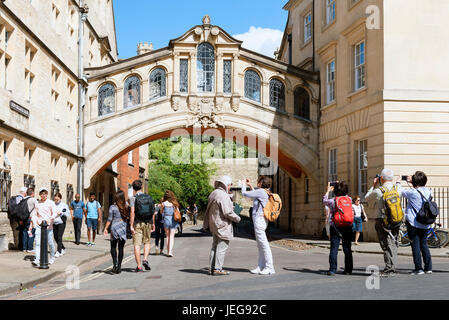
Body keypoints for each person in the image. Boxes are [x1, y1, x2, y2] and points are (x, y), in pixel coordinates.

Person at [365, 168, 403, 277]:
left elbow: (367, 198)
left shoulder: (379, 191)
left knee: (386, 244)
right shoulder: (397, 188)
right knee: (394, 242)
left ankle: (389, 268)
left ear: (381, 178)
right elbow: (400, 189)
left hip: (382, 220)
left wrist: (373, 185)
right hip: (396, 219)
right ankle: (392, 266)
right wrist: (399, 181)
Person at [203, 176, 241, 276]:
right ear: (225, 184)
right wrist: (237, 218)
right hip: (222, 224)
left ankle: (211, 268)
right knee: (222, 247)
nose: (230, 187)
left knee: (214, 246)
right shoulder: (223, 195)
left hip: (214, 223)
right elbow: (227, 212)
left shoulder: (214, 193)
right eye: (229, 185)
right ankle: (217, 268)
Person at [242, 176, 275, 275]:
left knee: (264, 245)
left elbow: (244, 193)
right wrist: (250, 185)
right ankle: (260, 266)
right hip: (261, 220)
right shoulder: (264, 192)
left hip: (259, 221)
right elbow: (254, 197)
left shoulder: (261, 192)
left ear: (262, 183)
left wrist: (243, 184)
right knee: (260, 245)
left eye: (259, 181)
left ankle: (270, 267)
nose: (257, 182)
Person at [402, 171, 433, 275]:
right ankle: (428, 268)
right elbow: (419, 191)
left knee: (415, 245)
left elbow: (400, 192)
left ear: (415, 181)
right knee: (424, 244)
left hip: (414, 223)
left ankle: (418, 268)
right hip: (425, 222)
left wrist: (398, 181)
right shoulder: (429, 191)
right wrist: (413, 183)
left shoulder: (412, 192)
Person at [323, 181, 353, 276]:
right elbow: (345, 195)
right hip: (347, 226)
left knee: (334, 248)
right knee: (347, 248)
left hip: (335, 226)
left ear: (335, 191)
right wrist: (341, 185)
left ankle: (332, 269)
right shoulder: (350, 199)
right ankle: (348, 270)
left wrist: (328, 190)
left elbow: (324, 201)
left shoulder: (333, 201)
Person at [129, 180, 155, 272]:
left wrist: (131, 225)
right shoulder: (149, 197)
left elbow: (132, 212)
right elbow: (152, 212)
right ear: (142, 187)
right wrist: (153, 224)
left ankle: (139, 266)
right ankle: (145, 259)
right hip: (148, 222)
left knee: (137, 244)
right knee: (147, 242)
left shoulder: (133, 198)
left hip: (138, 223)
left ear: (133, 188)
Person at [29, 187, 57, 266]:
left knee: (50, 242)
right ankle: (37, 259)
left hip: (48, 226)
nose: (43, 195)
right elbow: (35, 214)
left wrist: (50, 219)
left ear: (47, 194)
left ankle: (52, 257)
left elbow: (54, 213)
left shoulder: (51, 203)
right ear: (40, 194)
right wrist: (34, 222)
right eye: (42, 194)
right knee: (38, 243)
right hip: (39, 225)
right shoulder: (37, 203)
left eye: (45, 193)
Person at [104, 190, 129, 274]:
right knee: (121, 248)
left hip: (114, 228)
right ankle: (119, 266)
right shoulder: (126, 206)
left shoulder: (112, 207)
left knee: (113, 247)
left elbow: (109, 219)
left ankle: (114, 263)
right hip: (122, 228)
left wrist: (106, 228)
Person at [161, 190, 180, 257]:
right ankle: (170, 252)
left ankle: (167, 251)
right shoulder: (174, 203)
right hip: (173, 220)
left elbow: (161, 212)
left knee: (167, 236)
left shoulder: (163, 203)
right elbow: (178, 212)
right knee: (172, 236)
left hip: (166, 219)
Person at [53, 193, 70, 257]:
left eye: (58, 198)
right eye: (55, 198)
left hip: (61, 222)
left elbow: (67, 213)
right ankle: (62, 248)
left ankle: (58, 251)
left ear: (60, 198)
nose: (56, 199)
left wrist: (62, 213)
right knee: (55, 237)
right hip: (54, 222)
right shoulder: (53, 204)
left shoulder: (64, 205)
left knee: (59, 236)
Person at [22, 188, 38, 253]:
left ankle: (24, 248)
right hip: (31, 218)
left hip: (24, 218)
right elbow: (38, 207)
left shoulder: (23, 199)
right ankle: (30, 248)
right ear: (32, 193)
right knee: (31, 233)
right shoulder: (33, 200)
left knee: (25, 233)